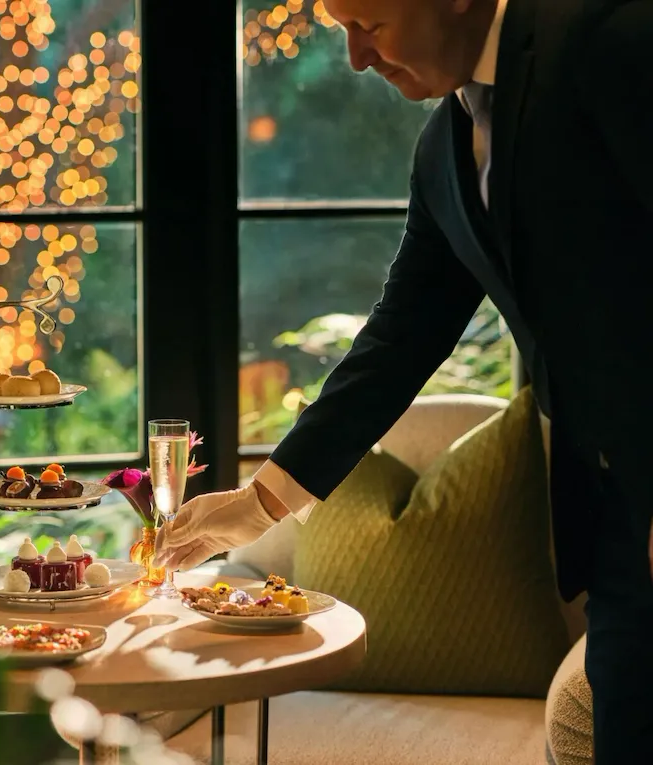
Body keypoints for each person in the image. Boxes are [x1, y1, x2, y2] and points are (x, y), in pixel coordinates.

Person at [154, 0, 652, 760]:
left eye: (371, 24)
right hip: (615, 525)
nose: (355, 57)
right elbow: (399, 339)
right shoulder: (444, 148)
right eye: (342, 30)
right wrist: (259, 505)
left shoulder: (606, 37)